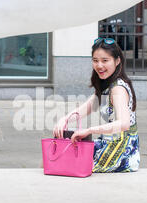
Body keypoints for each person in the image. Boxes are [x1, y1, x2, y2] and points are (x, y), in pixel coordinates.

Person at [53, 38, 140, 173]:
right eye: (95, 60)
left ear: (117, 61)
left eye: (105, 60)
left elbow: (124, 123)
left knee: (62, 159)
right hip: (109, 144)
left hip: (121, 152)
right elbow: (86, 107)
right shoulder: (107, 86)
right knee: (60, 153)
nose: (99, 65)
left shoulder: (118, 88)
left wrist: (89, 131)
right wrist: (64, 119)